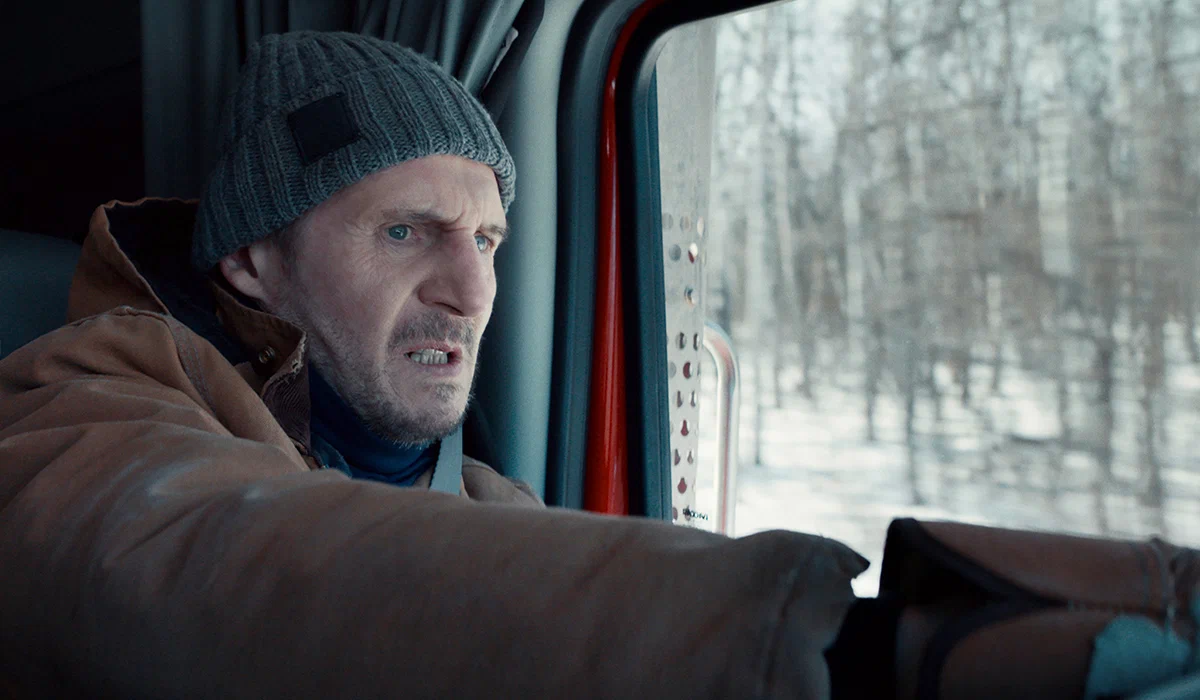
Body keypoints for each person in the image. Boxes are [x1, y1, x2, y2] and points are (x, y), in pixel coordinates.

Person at [2, 30, 1196, 700]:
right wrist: (854, 644)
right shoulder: (79, 412)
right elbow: (220, 568)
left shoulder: (492, 504)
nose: (473, 290)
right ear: (253, 262)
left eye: (487, 240)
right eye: (405, 231)